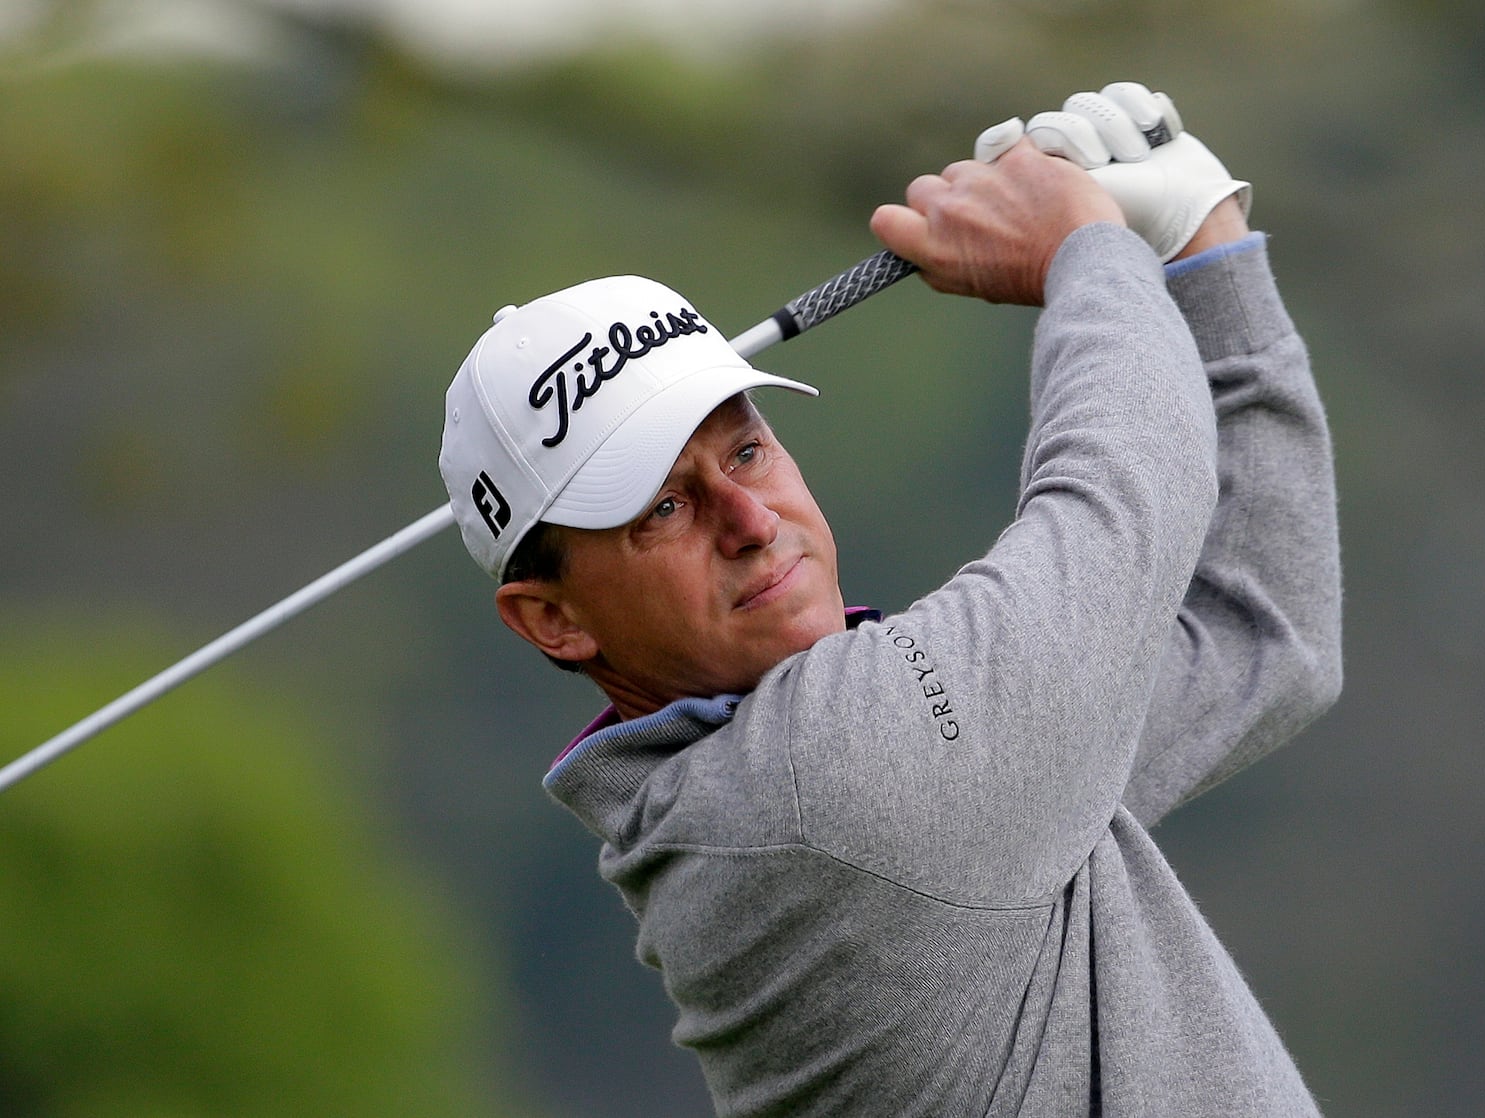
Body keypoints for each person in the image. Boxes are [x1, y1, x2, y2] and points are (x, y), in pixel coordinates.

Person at [439, 82, 1342, 1117]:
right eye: (661, 508)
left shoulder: (917, 784)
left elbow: (1261, 634)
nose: (748, 516)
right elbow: (1127, 496)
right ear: (552, 618)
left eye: (745, 447)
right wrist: (1089, 250)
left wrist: (1205, 251)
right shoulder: (820, 786)